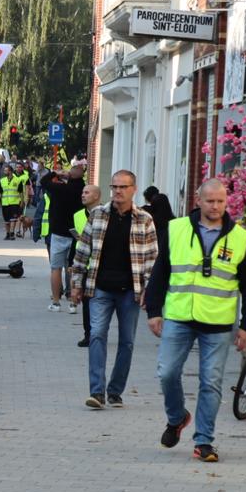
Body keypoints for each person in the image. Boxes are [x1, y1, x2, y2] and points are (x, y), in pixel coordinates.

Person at [147, 179, 246, 463]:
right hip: (179, 316)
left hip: (218, 323)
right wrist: (153, 311)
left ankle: (204, 441)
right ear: (198, 200)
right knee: (167, 373)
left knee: (211, 382)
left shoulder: (240, 239)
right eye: (210, 201)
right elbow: (161, 272)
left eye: (220, 201)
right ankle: (177, 418)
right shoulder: (177, 229)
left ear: (226, 202)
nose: (215, 206)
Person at [69, 170, 157, 409]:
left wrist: (150, 291)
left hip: (130, 291)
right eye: (114, 186)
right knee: (97, 333)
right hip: (100, 288)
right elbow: (82, 252)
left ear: (134, 190)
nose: (118, 191)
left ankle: (115, 391)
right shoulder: (97, 215)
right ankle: (97, 392)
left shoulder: (144, 220)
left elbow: (151, 258)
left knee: (127, 341)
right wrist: (76, 285)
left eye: (123, 187)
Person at [42, 164, 86, 313]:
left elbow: (43, 182)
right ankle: (73, 304)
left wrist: (55, 173)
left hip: (59, 232)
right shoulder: (83, 190)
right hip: (77, 234)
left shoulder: (60, 189)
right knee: (73, 268)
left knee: (56, 268)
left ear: (69, 175)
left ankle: (56, 302)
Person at [72, 184, 102, 348]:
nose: (83, 195)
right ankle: (88, 334)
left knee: (99, 303)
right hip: (84, 265)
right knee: (86, 302)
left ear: (97, 196)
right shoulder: (77, 215)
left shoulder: (105, 214)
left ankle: (98, 333)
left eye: (87, 192)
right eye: (82, 192)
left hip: (100, 266)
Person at [0, 165, 23, 240]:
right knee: (6, 220)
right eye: (4, 170)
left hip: (14, 202)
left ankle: (12, 233)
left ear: (10, 171)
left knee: (13, 219)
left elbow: (21, 192)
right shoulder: (2, 180)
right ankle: (7, 234)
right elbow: (0, 192)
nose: (4, 172)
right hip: (5, 203)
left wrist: (22, 201)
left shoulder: (17, 180)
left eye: (6, 170)